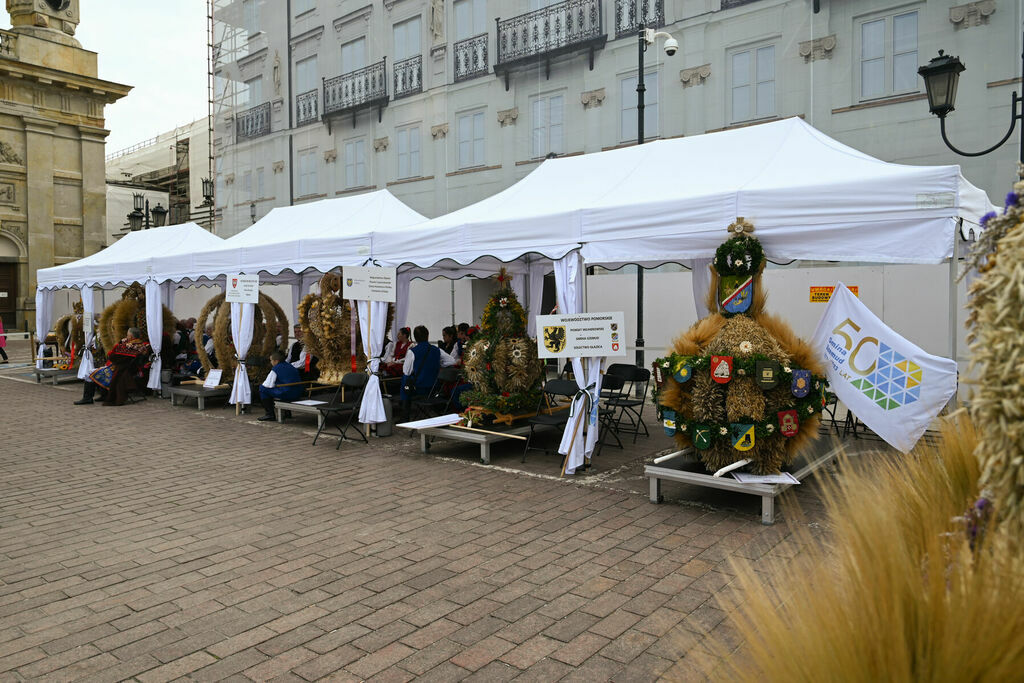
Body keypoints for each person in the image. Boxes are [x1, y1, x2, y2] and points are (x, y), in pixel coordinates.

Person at [77, 327, 152, 407]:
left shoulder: (127, 346)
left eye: (127, 335)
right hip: (134, 370)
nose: (126, 337)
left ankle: (87, 398)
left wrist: (120, 344)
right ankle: (104, 395)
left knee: (89, 373)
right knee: (101, 369)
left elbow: (112, 356)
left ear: (131, 337)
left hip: (121, 370)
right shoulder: (143, 345)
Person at [400, 325, 457, 417]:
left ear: (415, 338)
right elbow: (452, 361)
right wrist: (439, 364)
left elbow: (406, 371)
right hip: (434, 387)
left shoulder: (412, 351)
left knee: (405, 379)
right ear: (427, 336)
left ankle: (405, 414)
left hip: (418, 388)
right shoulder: (437, 350)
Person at [258, 349, 303, 421]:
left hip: (288, 393)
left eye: (271, 360)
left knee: (262, 389)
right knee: (281, 386)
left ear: (276, 361)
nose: (270, 362)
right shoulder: (290, 366)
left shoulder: (276, 368)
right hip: (298, 392)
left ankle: (270, 414)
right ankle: (287, 412)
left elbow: (267, 384)